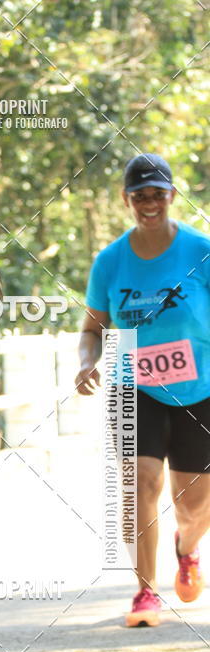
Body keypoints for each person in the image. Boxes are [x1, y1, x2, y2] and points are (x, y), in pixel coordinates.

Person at [75, 153, 210, 626]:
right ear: (126, 200)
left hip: (201, 389)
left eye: (157, 193)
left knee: (194, 506)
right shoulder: (110, 262)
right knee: (140, 485)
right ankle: (146, 593)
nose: (149, 203)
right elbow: (92, 329)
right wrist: (88, 363)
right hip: (134, 387)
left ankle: (187, 546)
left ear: (172, 195)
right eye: (139, 195)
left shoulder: (200, 250)